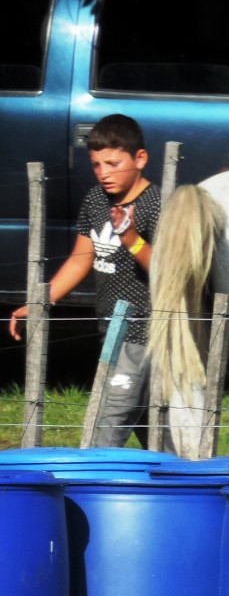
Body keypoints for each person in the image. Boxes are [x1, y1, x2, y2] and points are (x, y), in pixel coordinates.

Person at [8, 114, 161, 448]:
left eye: (112, 163)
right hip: (110, 331)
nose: (104, 173)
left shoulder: (156, 204)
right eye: (96, 165)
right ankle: (181, 485)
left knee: (106, 424)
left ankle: (90, 490)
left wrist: (132, 238)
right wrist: (40, 303)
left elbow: (167, 270)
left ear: (140, 158)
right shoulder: (96, 200)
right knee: (154, 432)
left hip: (144, 332)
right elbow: (80, 260)